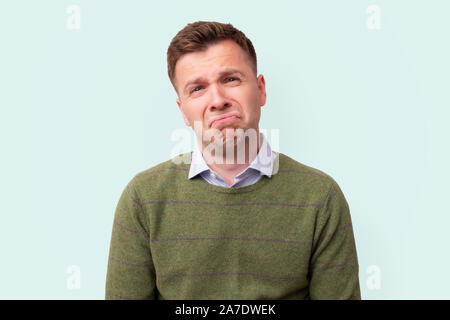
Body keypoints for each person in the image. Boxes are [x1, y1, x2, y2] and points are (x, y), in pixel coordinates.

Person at [105, 21, 361, 300]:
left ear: (261, 90)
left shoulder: (320, 197)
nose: (217, 100)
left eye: (230, 79)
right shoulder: (142, 198)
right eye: (197, 89)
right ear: (183, 111)